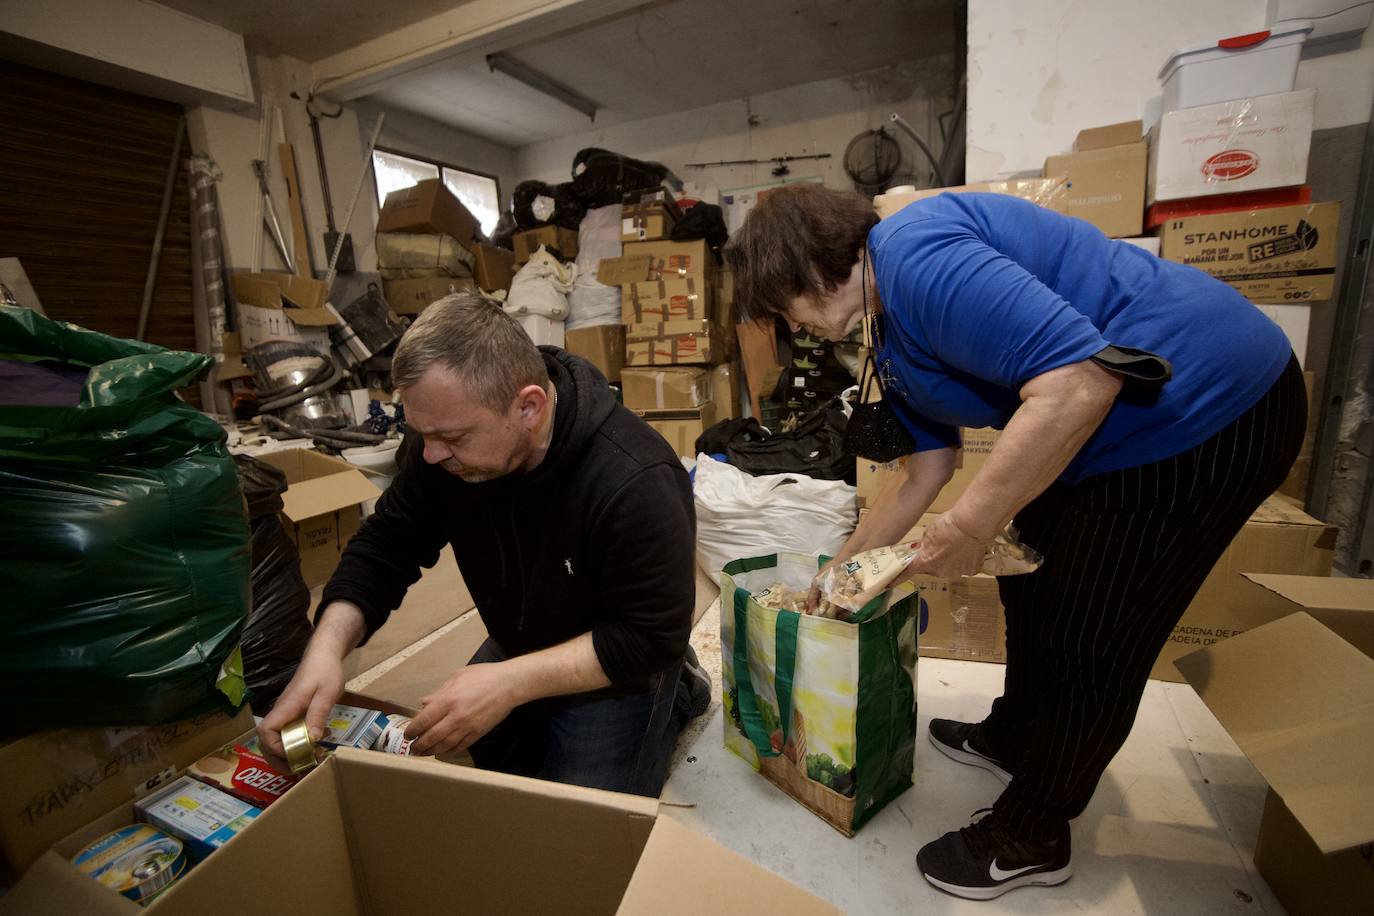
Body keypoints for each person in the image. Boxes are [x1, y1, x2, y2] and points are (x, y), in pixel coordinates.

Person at [726, 185, 1304, 900]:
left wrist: (969, 527)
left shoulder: (912, 256)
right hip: (1106, 431)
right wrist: (841, 571)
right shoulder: (887, 328)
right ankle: (1020, 734)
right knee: (1032, 581)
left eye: (784, 308)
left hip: (1206, 402)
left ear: (804, 272)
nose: (797, 327)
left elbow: (1076, 384)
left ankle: (1034, 831)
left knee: (1092, 631)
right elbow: (923, 471)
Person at [259, 295, 705, 797]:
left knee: (575, 825)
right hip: (521, 635)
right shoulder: (440, 445)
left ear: (529, 406)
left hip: (616, 655)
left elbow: (649, 636)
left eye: (451, 437)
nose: (430, 454)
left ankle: (678, 691)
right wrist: (325, 651)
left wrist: (510, 682)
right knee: (484, 766)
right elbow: (387, 544)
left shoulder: (634, 478)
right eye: (421, 433)